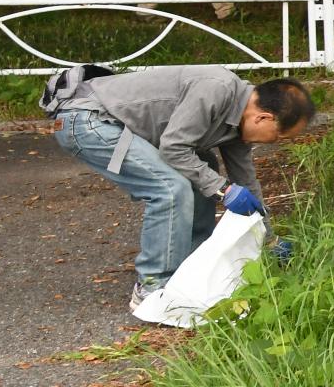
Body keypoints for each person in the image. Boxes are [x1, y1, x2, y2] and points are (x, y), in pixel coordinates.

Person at [46, 65, 314, 308]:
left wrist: (267, 237)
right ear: (263, 118)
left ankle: (190, 271)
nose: (275, 142)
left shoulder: (238, 119)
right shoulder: (216, 90)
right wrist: (223, 190)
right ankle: (152, 290)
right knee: (170, 188)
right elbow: (174, 148)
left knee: (202, 172)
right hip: (86, 121)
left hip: (110, 124)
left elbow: (246, 182)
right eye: (279, 135)